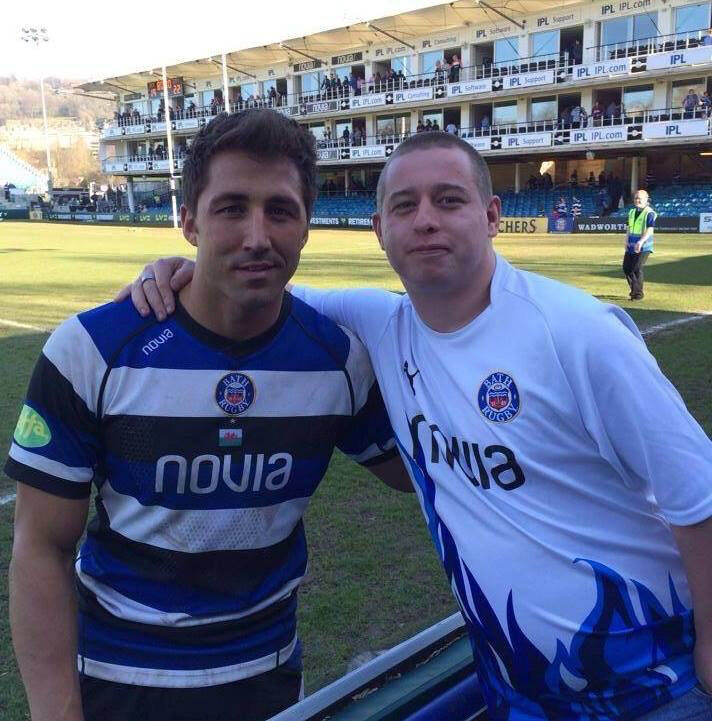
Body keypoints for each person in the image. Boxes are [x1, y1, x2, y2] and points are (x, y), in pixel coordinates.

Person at [128, 130, 712, 721]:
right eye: (404, 206)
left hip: (660, 686)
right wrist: (185, 272)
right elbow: (268, 290)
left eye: (449, 200)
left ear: (491, 217)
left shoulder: (576, 334)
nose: (426, 220)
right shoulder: (382, 324)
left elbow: (700, 495)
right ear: (379, 230)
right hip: (519, 695)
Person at [6, 110, 407, 721]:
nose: (257, 235)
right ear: (189, 221)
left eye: (280, 210)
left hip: (267, 677)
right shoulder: (91, 350)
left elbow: (424, 473)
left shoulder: (337, 359)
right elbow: (40, 547)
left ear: (306, 225)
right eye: (231, 208)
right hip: (119, 679)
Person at [623, 188, 656, 301]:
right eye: (636, 198)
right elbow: (628, 227)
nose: (637, 200)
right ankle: (635, 291)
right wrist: (626, 240)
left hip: (644, 246)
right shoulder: (631, 212)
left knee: (636, 268)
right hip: (631, 245)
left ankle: (637, 294)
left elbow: (650, 229)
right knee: (626, 268)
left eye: (640, 198)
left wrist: (641, 241)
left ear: (646, 199)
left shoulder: (649, 213)